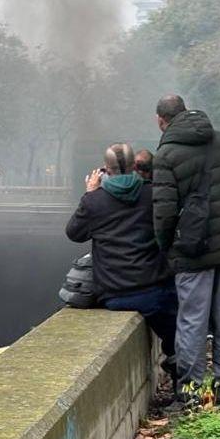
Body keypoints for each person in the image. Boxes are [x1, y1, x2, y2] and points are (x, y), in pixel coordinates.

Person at [152, 94, 220, 408]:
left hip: (192, 251)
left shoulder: (166, 154)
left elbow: (164, 214)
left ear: (161, 120)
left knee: (192, 321)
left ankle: (191, 393)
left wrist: (166, 248)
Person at [66, 142, 178, 381]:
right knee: (177, 334)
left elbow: (75, 233)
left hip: (113, 294)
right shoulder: (151, 195)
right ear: (133, 166)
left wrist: (89, 193)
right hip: (154, 290)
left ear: (105, 169)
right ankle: (183, 382)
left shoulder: (94, 202)